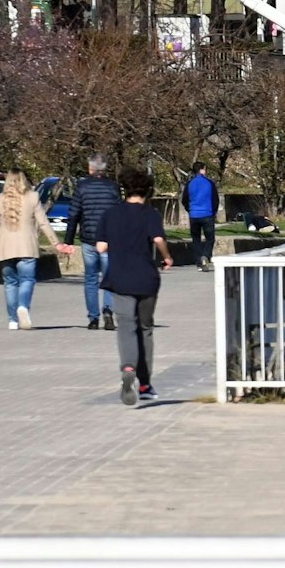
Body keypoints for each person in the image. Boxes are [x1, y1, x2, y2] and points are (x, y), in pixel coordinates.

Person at [98, 167, 174, 405]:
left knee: (126, 327)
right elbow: (159, 239)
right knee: (146, 329)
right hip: (146, 278)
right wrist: (167, 257)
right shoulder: (150, 214)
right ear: (147, 191)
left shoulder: (110, 214)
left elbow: (100, 247)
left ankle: (128, 367)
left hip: (120, 278)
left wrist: (117, 245)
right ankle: (144, 383)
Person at [0, 168, 72, 330]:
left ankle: (12, 320)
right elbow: (43, 222)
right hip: (27, 247)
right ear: (24, 180)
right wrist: (57, 244)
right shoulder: (33, 198)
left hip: (5, 248)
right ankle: (23, 306)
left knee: (10, 283)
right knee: (27, 280)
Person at [68, 154, 124, 330]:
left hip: (88, 239)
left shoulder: (82, 187)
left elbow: (74, 214)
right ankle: (108, 310)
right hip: (109, 240)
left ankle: (93, 318)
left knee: (91, 279)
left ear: (90, 168)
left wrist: (68, 240)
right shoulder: (113, 188)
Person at [182, 162, 220, 272]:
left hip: (194, 215)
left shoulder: (189, 184)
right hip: (207, 214)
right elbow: (215, 200)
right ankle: (206, 256)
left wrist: (190, 210)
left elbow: (184, 200)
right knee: (210, 238)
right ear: (202, 170)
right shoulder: (209, 183)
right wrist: (213, 212)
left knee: (196, 239)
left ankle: (199, 263)